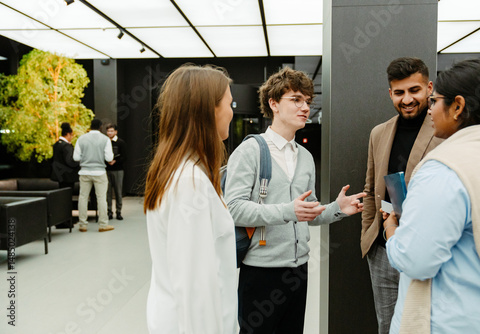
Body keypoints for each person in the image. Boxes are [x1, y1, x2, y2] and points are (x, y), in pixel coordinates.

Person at [224, 67, 365, 334]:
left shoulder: (305, 157)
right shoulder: (250, 150)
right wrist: (288, 210)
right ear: (273, 103)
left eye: (308, 102)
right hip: (261, 270)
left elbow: (305, 212)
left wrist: (337, 209)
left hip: (297, 270)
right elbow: (234, 208)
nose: (305, 107)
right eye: (296, 99)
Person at [383, 58, 480, 333]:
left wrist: (392, 231)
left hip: (448, 320)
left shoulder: (443, 169)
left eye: (434, 100)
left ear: (457, 106)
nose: (431, 110)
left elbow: (416, 260)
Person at [143, 64, 238, 334]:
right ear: (209, 110)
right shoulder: (190, 183)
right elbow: (194, 289)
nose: (232, 112)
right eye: (229, 104)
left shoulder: (180, 172)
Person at [360, 57, 443, 334]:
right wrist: (369, 238)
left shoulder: (446, 132)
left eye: (414, 90)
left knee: (422, 327)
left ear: (429, 88)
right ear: (390, 94)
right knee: (386, 326)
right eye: (399, 92)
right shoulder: (379, 133)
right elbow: (371, 188)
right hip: (383, 251)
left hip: (426, 250)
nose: (407, 99)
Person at [73, 118, 114, 232]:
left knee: (83, 197)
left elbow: (75, 157)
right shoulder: (105, 139)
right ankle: (103, 224)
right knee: (101, 198)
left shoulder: (81, 138)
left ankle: (82, 225)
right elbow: (109, 158)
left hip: (85, 172)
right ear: (101, 127)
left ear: (90, 126)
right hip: (100, 172)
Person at [105, 123, 126, 221]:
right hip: (107, 170)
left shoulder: (120, 142)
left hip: (118, 170)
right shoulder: (104, 142)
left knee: (118, 192)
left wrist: (115, 161)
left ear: (116, 132)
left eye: (111, 131)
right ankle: (109, 212)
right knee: (107, 193)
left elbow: (124, 156)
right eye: (108, 131)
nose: (109, 133)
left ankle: (119, 212)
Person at [51, 122, 79, 190]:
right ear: (68, 134)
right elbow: (70, 161)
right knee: (68, 195)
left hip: (59, 174)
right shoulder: (66, 146)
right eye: (71, 135)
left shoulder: (56, 144)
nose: (71, 137)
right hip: (68, 176)